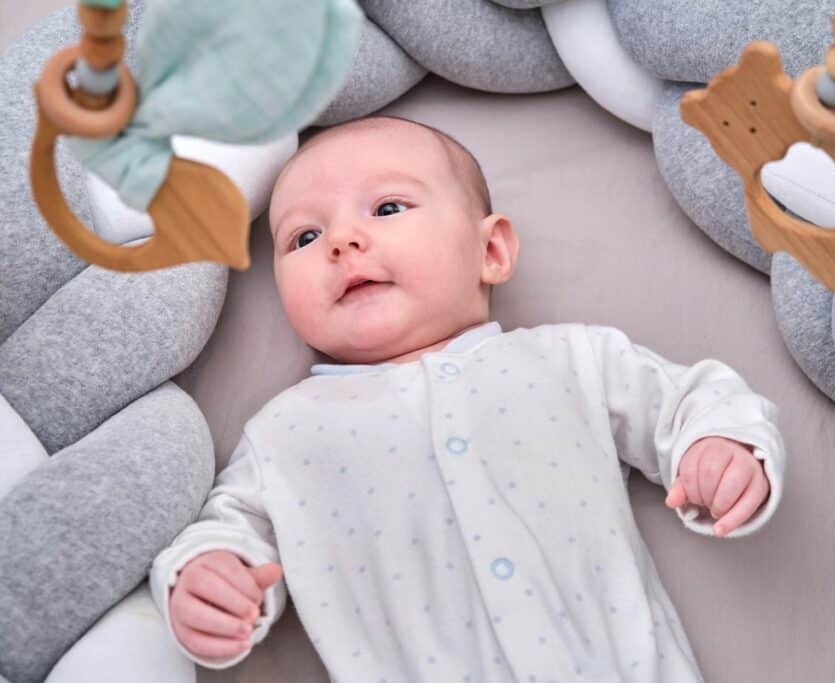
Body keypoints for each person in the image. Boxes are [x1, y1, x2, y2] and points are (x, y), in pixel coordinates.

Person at [150, 115, 786, 680]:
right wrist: (207, 578)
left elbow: (690, 399)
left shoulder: (571, 360)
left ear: (490, 250)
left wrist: (719, 445)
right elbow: (228, 527)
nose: (343, 241)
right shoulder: (285, 433)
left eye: (388, 209)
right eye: (304, 238)